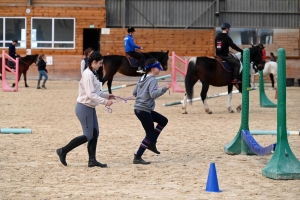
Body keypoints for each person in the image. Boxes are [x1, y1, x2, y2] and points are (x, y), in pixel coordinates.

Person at [56, 51, 114, 168]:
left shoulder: (93, 73)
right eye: (100, 63)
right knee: (88, 135)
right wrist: (105, 102)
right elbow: (91, 94)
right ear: (94, 62)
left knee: (95, 133)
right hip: (84, 107)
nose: (101, 65)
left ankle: (92, 160)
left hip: (90, 108)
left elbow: (96, 92)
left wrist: (107, 95)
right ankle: (63, 151)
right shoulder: (88, 74)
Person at [132, 58, 172, 165]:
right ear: (153, 68)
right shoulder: (153, 79)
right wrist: (164, 88)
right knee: (149, 134)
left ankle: (152, 143)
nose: (160, 69)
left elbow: (134, 92)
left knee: (163, 120)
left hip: (140, 108)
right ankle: (138, 156)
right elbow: (153, 94)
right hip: (143, 109)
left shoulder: (142, 77)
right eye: (158, 67)